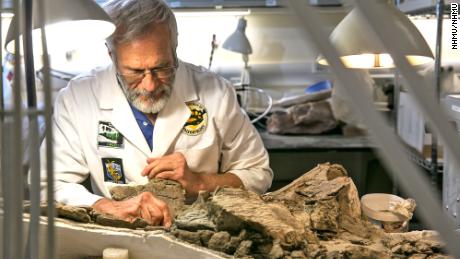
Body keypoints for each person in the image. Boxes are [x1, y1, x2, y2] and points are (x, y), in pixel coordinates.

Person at [39, 0, 273, 228]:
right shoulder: (78, 97)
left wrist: (200, 182)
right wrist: (104, 205)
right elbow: (49, 183)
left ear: (174, 48)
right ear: (112, 56)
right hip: (119, 239)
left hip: (199, 238)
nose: (150, 86)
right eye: (135, 71)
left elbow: (258, 172)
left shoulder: (215, 92)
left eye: (161, 67)